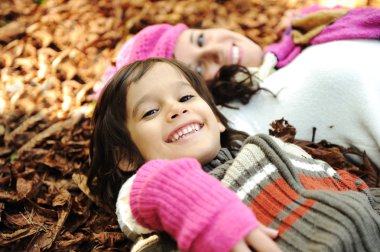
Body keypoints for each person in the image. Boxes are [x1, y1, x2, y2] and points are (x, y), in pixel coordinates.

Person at [88, 58, 380, 252]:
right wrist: (201, 209)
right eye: (150, 111)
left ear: (218, 120)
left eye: (186, 97)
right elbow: (147, 193)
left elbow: (345, 186)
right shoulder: (153, 193)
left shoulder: (263, 145)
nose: (176, 109)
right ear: (127, 156)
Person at [95, 7, 380, 169]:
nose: (217, 51)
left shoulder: (294, 40)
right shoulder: (234, 118)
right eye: (197, 69)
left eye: (201, 39)